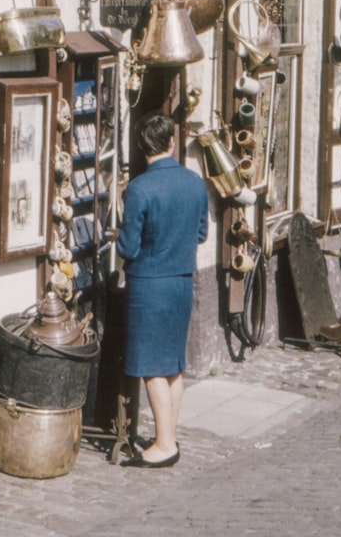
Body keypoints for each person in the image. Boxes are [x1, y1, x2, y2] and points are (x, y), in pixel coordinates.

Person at [115, 112, 209, 468]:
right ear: (171, 142)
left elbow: (127, 247)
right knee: (173, 365)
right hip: (183, 281)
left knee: (152, 366)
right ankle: (169, 434)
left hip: (149, 286)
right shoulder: (194, 182)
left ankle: (164, 444)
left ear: (142, 148)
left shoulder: (139, 188)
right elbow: (201, 234)